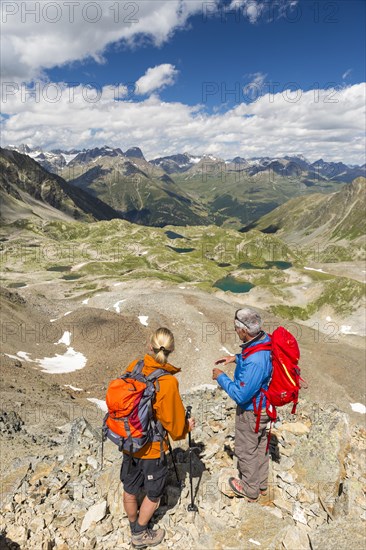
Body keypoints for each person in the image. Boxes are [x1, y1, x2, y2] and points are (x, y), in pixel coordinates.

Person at [121, 327, 195, 548]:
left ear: (148, 345)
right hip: (152, 448)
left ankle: (133, 523)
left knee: (130, 487)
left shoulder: (134, 366)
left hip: (129, 442)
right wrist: (186, 427)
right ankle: (140, 534)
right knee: (153, 494)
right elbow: (174, 426)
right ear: (171, 350)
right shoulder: (168, 382)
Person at [212, 307, 272, 502]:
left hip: (251, 411)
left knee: (246, 449)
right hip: (264, 406)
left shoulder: (255, 360)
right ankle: (261, 484)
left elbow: (240, 395)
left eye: (236, 328)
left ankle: (250, 489)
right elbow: (256, 363)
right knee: (260, 444)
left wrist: (221, 377)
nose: (235, 331)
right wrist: (235, 359)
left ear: (244, 330)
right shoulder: (263, 340)